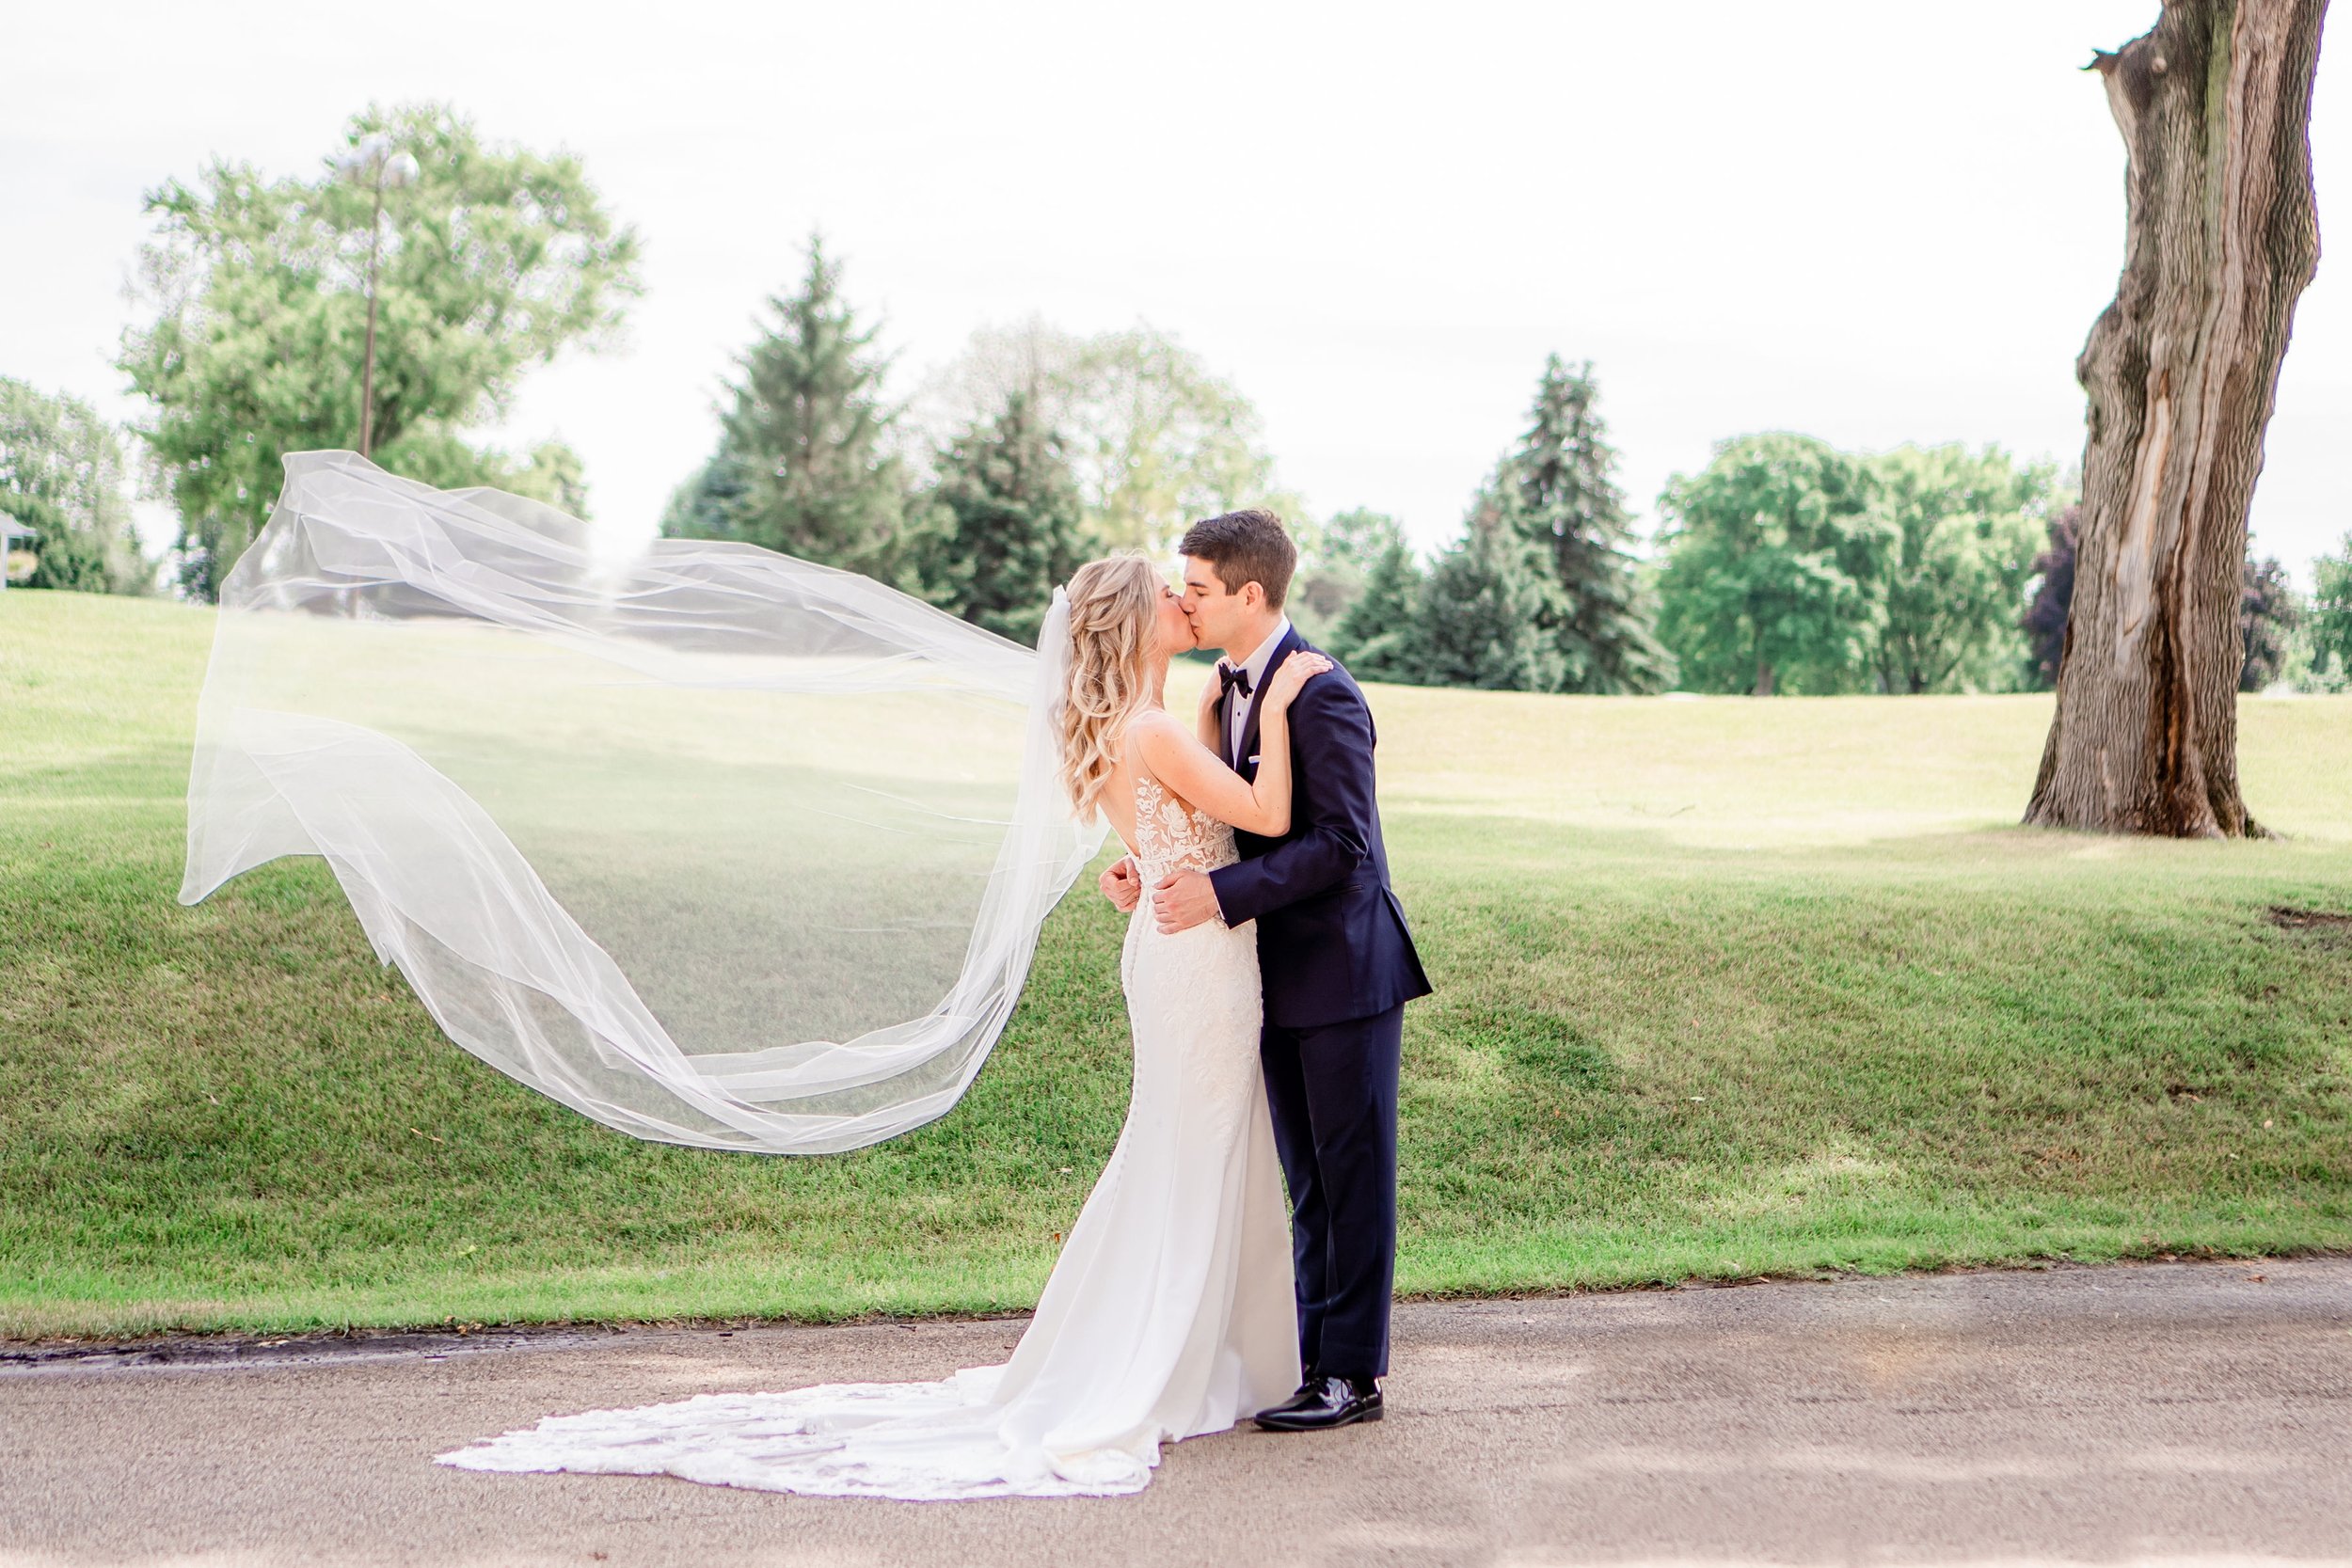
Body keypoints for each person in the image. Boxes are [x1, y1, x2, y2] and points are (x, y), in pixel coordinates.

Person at [440, 552, 1342, 1498]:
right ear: (1134, 618)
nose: (1182, 598)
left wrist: (1148, 849)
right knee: (1190, 1150)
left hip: (1171, 949)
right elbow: (1268, 810)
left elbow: (1161, 832)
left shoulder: (1127, 722)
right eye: (1168, 591)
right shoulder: (1152, 728)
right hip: (1199, 961)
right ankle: (1164, 1363)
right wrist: (1281, 705)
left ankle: (1201, 1356)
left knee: (1182, 1148)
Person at [1102, 509, 1432, 1433]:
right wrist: (1159, 866)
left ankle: (1349, 1374)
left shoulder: (1320, 693)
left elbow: (1342, 847)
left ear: (1251, 593)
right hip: (1262, 972)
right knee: (1307, 1176)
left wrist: (1219, 891)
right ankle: (1310, 1359)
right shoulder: (1228, 688)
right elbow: (1217, 815)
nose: (1185, 603)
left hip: (1343, 970)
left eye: (1198, 589)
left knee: (1351, 1171)